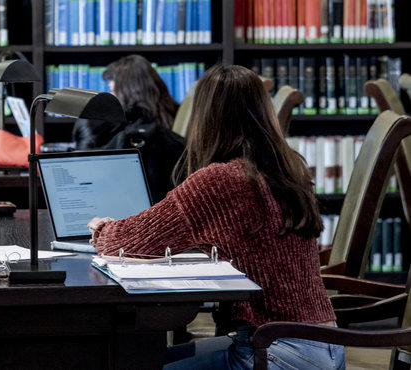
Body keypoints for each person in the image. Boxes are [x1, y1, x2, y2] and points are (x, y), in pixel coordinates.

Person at [87, 65, 343, 369]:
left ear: (206, 117)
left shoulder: (220, 181)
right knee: (149, 359)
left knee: (134, 363)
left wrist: (102, 227)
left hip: (275, 351)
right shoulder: (289, 168)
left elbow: (128, 241)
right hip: (325, 345)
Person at [72, 54, 185, 202]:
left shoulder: (140, 138)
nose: (110, 97)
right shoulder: (175, 118)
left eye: (113, 91)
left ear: (130, 91)